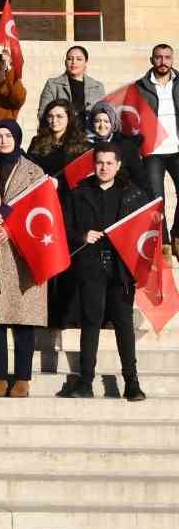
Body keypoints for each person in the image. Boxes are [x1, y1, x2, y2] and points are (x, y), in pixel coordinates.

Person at [64, 145, 151, 400]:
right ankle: (85, 380)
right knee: (91, 321)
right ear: (94, 164)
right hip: (91, 266)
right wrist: (82, 235)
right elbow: (64, 227)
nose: (104, 168)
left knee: (124, 324)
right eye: (100, 162)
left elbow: (145, 228)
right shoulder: (79, 193)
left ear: (119, 165)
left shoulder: (133, 194)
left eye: (109, 163)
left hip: (121, 268)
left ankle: (131, 382)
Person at [0, 120, 50, 397]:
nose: (3, 140)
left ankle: (22, 377)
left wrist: (12, 228)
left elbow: (43, 212)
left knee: (23, 319)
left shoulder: (35, 172)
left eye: (8, 135)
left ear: (18, 138)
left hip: (24, 253)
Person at [134, 43, 179, 238]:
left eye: (167, 57)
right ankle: (165, 242)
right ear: (152, 60)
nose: (163, 61)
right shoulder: (139, 87)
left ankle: (177, 234)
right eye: (158, 57)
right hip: (153, 151)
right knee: (156, 199)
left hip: (177, 148)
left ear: (172, 59)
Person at [37, 46, 105, 124]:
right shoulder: (52, 85)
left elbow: (104, 114)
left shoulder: (98, 87)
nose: (73, 62)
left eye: (79, 59)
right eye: (69, 59)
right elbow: (42, 114)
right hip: (61, 134)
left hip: (89, 134)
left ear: (86, 62)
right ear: (65, 62)